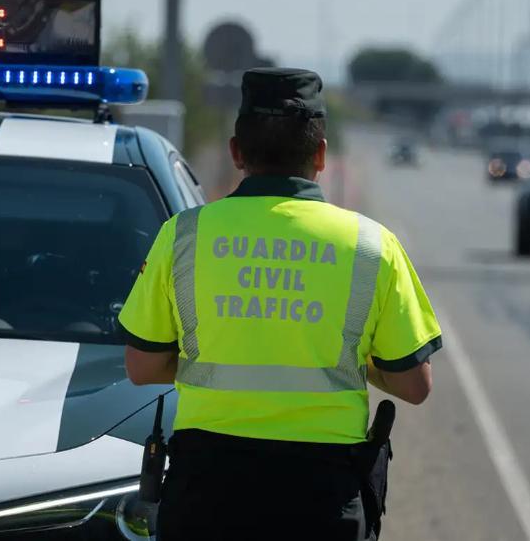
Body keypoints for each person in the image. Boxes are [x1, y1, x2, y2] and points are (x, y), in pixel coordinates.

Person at [117, 67, 442, 540]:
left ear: (236, 152)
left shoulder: (184, 235)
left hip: (206, 493)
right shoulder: (373, 246)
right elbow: (414, 385)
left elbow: (142, 368)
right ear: (322, 154)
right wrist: (351, 358)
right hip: (322, 499)